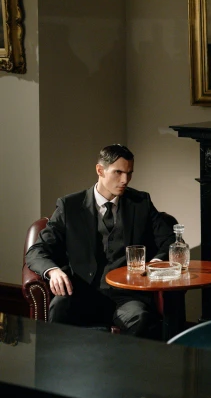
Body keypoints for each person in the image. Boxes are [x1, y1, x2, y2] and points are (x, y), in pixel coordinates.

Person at [25, 144, 175, 336]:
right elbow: (37, 250)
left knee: (141, 318)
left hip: (127, 297)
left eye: (129, 173)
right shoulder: (70, 206)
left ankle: (126, 366)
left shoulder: (140, 203)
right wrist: (53, 271)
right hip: (81, 293)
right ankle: (58, 365)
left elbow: (170, 241)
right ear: (100, 170)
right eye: (118, 172)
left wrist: (153, 264)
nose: (125, 180)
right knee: (59, 308)